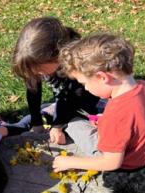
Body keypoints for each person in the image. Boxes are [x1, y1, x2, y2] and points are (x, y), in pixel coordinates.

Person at [53, 33, 145, 193]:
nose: (85, 88)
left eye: (84, 82)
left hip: (129, 168)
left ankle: (71, 124)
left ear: (103, 77)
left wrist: (70, 162)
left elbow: (111, 162)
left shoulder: (116, 115)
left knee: (75, 125)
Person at [12, 17, 101, 151]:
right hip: (62, 102)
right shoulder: (36, 61)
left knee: (78, 128)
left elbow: (74, 97)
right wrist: (36, 122)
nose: (39, 74)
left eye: (41, 71)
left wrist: (58, 125)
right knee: (29, 120)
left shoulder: (77, 64)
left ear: (58, 54)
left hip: (87, 105)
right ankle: (9, 130)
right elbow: (33, 90)